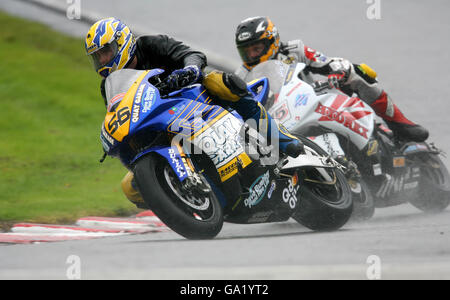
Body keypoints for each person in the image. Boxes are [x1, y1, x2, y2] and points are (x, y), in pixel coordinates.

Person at [85, 17, 302, 209]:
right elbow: (122, 114)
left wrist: (189, 70)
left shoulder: (151, 44)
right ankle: (179, 196)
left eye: (106, 52)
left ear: (122, 43)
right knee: (130, 187)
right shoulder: (108, 86)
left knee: (221, 82)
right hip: (161, 120)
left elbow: (191, 54)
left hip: (193, 95)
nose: (103, 61)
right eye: (97, 57)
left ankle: (282, 140)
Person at [234, 16, 429, 143]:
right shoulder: (241, 75)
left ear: (272, 41)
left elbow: (327, 62)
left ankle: (399, 123)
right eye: (246, 51)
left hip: (315, 102)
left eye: (256, 48)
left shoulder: (294, 51)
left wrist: (338, 72)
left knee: (358, 71)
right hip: (281, 119)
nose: (251, 55)